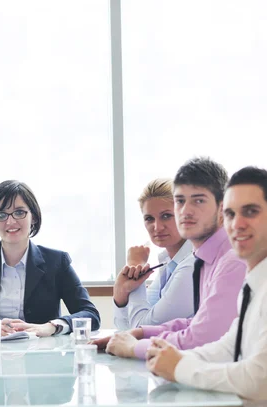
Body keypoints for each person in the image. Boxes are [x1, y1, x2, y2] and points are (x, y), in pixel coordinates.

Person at [92, 157, 245, 359]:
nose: (186, 212)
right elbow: (196, 323)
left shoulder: (231, 259)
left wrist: (135, 345)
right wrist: (140, 332)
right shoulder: (200, 259)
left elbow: (203, 337)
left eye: (199, 201)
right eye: (180, 202)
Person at [146, 166, 267, 401]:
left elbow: (260, 380)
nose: (237, 224)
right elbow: (230, 346)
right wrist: (176, 360)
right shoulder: (253, 283)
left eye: (250, 211)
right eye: (230, 214)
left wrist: (180, 368)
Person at [0, 180, 100, 337]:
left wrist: (50, 327)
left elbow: (90, 314)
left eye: (19, 212)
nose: (10, 221)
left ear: (34, 217)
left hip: (42, 355)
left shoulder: (57, 262)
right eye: (1, 214)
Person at [113, 178, 194, 330]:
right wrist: (120, 292)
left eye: (166, 216)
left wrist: (136, 268)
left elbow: (142, 329)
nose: (157, 227)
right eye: (149, 218)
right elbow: (124, 330)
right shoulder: (168, 264)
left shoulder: (193, 265)